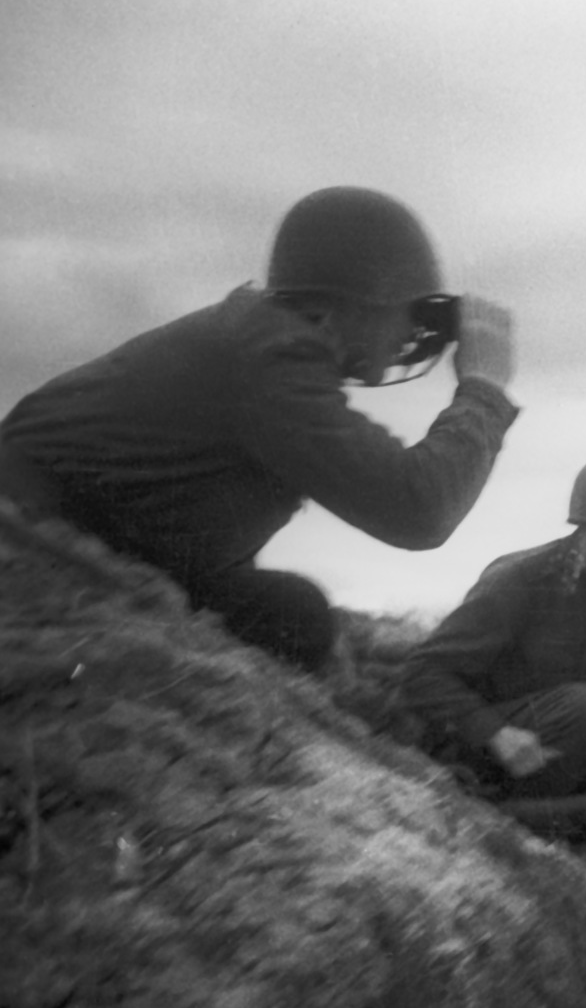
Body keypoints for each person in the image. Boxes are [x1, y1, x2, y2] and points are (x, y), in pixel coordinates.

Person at [0, 187, 517, 673]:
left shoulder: (258, 342)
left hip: (92, 537)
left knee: (293, 615)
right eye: (411, 313)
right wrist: (484, 391)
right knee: (293, 621)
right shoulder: (271, 353)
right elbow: (417, 510)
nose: (414, 333)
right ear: (351, 305)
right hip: (37, 545)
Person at [401, 456, 586, 800]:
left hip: (562, 749)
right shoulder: (520, 579)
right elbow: (424, 672)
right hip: (485, 748)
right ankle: (518, 812)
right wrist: (495, 733)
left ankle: (557, 813)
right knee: (583, 708)